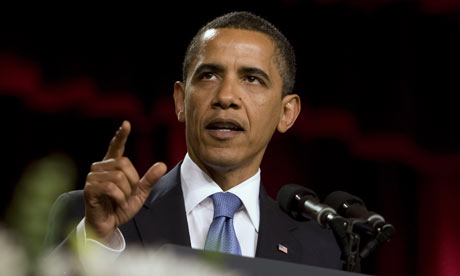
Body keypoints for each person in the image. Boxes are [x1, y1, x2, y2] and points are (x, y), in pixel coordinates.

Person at [45, 11, 341, 269]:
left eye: (252, 79)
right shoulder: (91, 217)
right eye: (209, 75)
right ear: (180, 101)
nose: (226, 97)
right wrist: (97, 240)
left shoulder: (319, 248)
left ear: (286, 112)